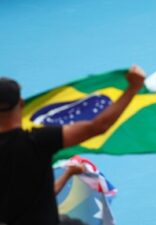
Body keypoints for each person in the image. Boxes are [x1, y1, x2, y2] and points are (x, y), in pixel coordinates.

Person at [0, 65, 145, 225]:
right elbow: (98, 126)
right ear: (21, 104)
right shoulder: (38, 140)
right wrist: (133, 87)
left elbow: (40, 196)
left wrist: (68, 173)